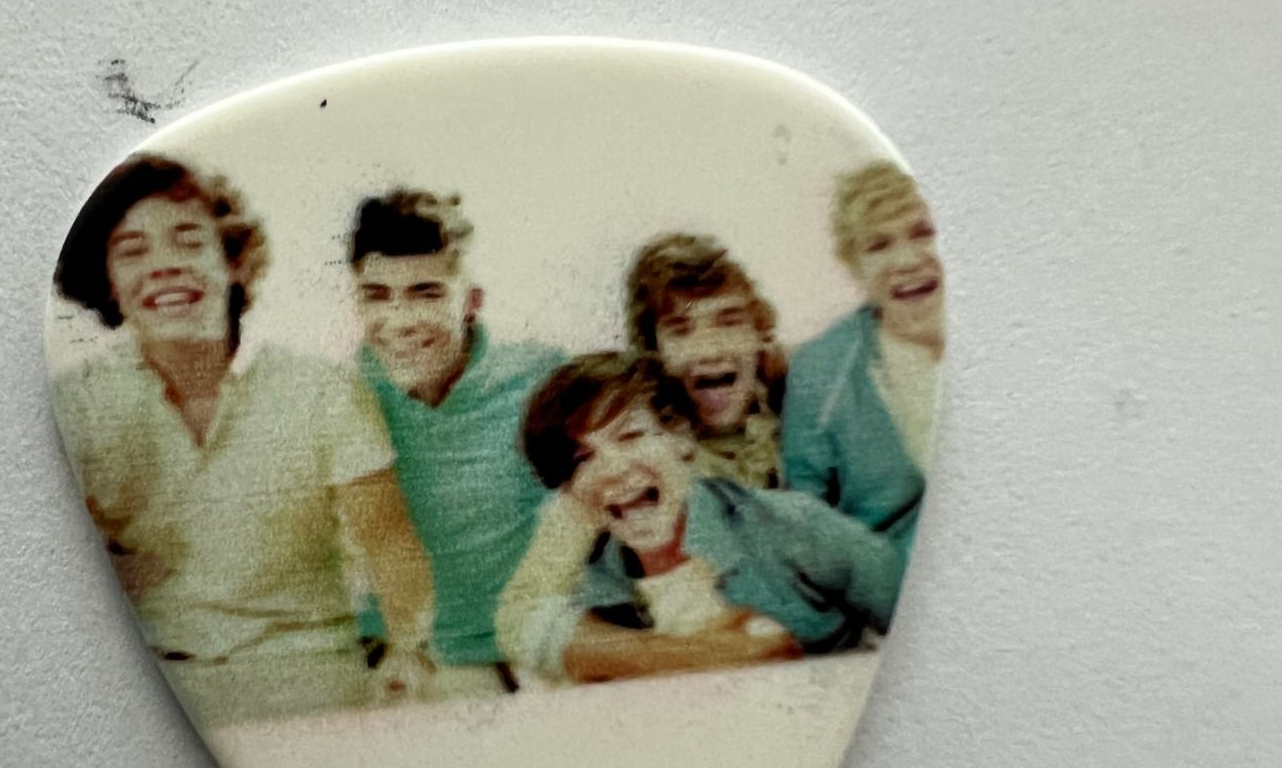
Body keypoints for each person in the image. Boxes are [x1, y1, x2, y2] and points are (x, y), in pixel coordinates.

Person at [50, 156, 434, 729]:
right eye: (132, 251)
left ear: (233, 261)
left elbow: (389, 545)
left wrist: (411, 650)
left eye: (188, 241)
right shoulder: (79, 405)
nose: (163, 265)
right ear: (107, 281)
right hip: (150, 690)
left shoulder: (321, 391)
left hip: (310, 674)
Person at [501, 353, 903, 685]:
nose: (612, 469)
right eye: (583, 458)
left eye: (630, 436)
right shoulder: (591, 587)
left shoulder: (789, 525)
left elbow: (915, 619)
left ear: (680, 436)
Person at [349, 188, 563, 691]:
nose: (400, 322)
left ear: (471, 302)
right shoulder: (345, 395)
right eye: (377, 296)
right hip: (418, 661)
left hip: (532, 650)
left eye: (426, 293)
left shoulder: (542, 379)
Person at [783, 162, 945, 557]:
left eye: (923, 233)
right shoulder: (820, 372)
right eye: (878, 245)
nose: (907, 260)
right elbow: (804, 525)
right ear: (854, 265)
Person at [626, 233, 784, 489]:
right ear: (655, 350)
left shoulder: (808, 414)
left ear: (759, 333)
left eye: (729, 322)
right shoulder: (644, 458)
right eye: (680, 330)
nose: (709, 351)